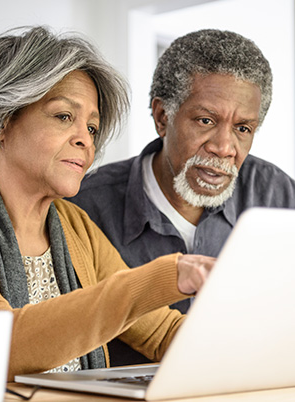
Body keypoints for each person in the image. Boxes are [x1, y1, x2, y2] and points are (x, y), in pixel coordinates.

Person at [0, 26, 216, 382]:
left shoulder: (76, 226)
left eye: (93, 128)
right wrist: (163, 275)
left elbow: (161, 334)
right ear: (4, 121)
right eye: (64, 116)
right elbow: (4, 347)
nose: (85, 140)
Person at [69, 29, 295, 365]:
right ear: (162, 117)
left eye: (243, 128)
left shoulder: (276, 194)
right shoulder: (85, 206)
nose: (224, 147)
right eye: (206, 120)